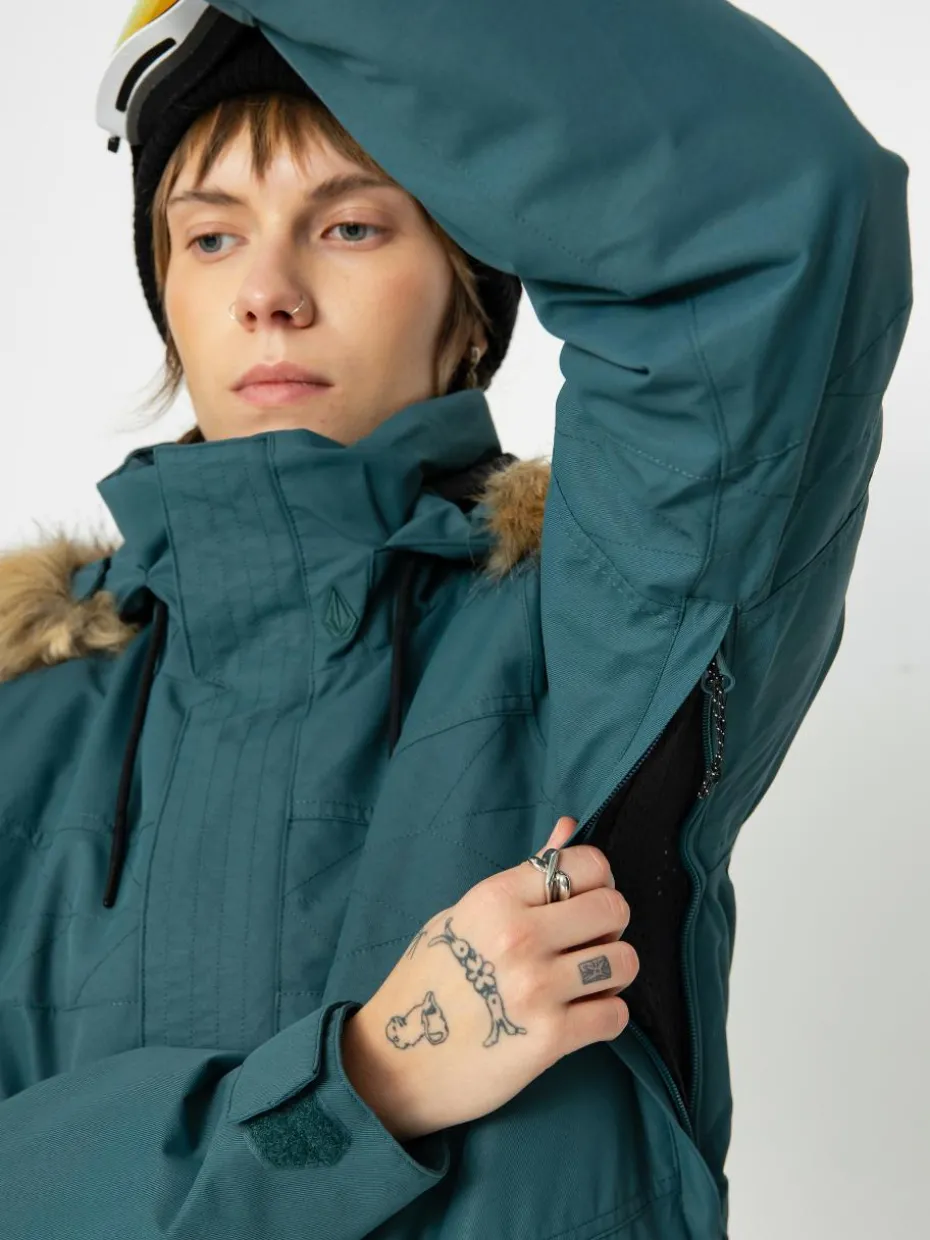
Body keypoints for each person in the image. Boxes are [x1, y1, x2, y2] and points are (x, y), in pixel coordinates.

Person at [0, 3, 912, 1239]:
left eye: (351, 225)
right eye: (210, 237)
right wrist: (365, 1083)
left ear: (470, 296)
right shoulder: (27, 707)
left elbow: (771, 212)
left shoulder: (596, 632)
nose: (267, 293)